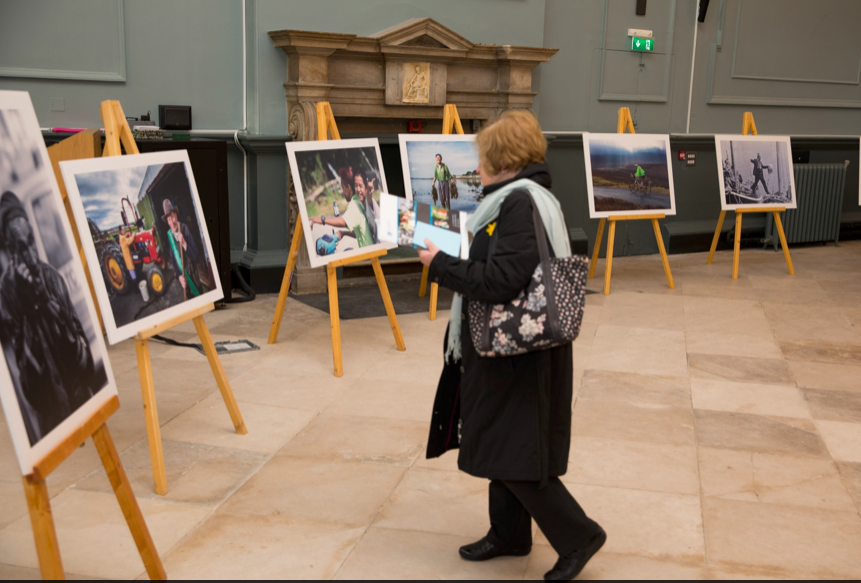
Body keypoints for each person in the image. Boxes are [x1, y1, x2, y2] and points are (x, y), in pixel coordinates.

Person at [418, 111, 605, 582]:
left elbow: (501, 280)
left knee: (516, 451)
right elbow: (498, 260)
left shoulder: (519, 203)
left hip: (520, 352)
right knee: (502, 443)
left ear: (503, 160)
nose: (477, 166)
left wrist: (438, 264)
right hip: (509, 349)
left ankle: (579, 536)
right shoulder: (517, 197)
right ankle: (509, 534)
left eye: (483, 158)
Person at [0, 191, 98, 444]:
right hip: (53, 425)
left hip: (81, 403)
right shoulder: (7, 294)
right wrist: (30, 311)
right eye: (21, 248)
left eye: (31, 242)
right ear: (10, 251)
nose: (31, 257)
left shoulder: (52, 278)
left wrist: (46, 302)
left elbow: (84, 363)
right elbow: (33, 392)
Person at [309, 169, 375, 248]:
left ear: (348, 187)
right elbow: (360, 231)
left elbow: (343, 221)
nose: (343, 192)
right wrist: (344, 233)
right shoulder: (360, 201)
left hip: (369, 255)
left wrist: (322, 220)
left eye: (343, 188)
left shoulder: (355, 204)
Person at [162, 198, 203, 299]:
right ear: (167, 222)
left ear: (176, 215)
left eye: (173, 217)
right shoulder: (170, 236)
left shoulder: (185, 229)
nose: (172, 222)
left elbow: (196, 257)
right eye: (169, 219)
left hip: (194, 280)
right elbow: (173, 259)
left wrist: (184, 243)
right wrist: (179, 276)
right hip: (185, 283)